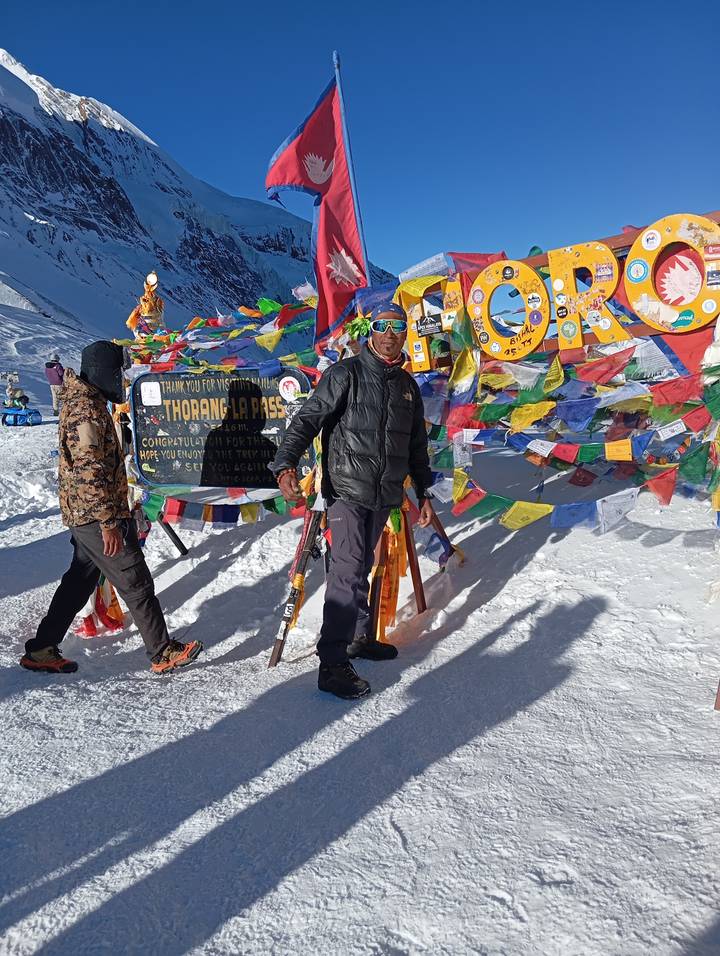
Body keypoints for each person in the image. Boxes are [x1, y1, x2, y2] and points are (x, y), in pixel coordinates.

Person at [270, 302, 435, 701]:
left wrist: (424, 492)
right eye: (383, 326)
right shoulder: (345, 374)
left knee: (364, 565)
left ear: (406, 333)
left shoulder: (407, 388)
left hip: (384, 495)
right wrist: (285, 464)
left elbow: (416, 448)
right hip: (345, 491)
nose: (391, 333)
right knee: (346, 570)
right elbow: (307, 419)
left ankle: (359, 639)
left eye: (398, 326)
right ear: (370, 331)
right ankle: (331, 664)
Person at [20, 341, 203, 675]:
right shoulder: (86, 409)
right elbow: (90, 469)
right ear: (103, 372)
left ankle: (42, 648)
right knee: (134, 578)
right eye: (119, 373)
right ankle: (161, 651)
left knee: (79, 581)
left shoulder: (87, 402)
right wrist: (108, 521)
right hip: (95, 514)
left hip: (88, 512)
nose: (122, 380)